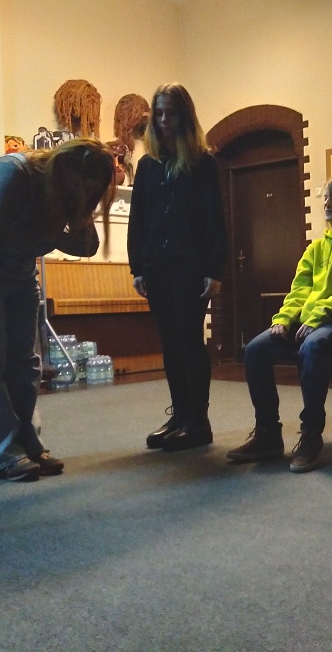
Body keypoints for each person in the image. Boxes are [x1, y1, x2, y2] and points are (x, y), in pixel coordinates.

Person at [0, 138, 116, 482]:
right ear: (60, 167)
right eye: (76, 184)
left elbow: (88, 246)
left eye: (90, 189)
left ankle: (29, 445)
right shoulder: (14, 172)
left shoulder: (72, 193)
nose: (79, 192)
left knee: (25, 364)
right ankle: (3, 455)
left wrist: (74, 215)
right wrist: (51, 231)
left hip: (20, 272)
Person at [226, 175, 332, 473]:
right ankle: (268, 434)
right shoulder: (316, 248)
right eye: (325, 197)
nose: (325, 203)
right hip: (309, 321)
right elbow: (299, 290)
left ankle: (311, 434)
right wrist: (284, 319)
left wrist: (318, 317)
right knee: (256, 349)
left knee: (314, 345)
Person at [128, 83, 227, 452]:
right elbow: (138, 219)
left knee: (188, 341)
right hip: (157, 266)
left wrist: (215, 269)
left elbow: (215, 219)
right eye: (159, 113)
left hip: (191, 267)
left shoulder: (203, 163)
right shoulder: (147, 166)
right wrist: (137, 267)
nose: (163, 120)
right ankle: (179, 415)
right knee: (169, 343)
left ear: (184, 116)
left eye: (170, 113)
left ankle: (198, 421)